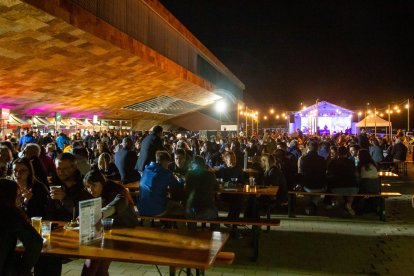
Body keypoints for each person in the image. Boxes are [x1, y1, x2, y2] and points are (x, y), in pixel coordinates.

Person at [81, 169, 139, 276]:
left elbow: (119, 203)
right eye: (88, 187)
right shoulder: (95, 193)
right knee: (98, 263)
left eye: (93, 185)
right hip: (107, 232)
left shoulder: (116, 190)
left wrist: (99, 213)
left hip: (126, 229)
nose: (90, 189)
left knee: (95, 261)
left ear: (102, 183)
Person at [0, 178, 43, 276]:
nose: (20, 199)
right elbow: (35, 243)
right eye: (18, 195)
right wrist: (23, 269)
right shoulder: (11, 214)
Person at [138, 151, 184, 216]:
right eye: (167, 163)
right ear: (164, 161)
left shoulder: (146, 169)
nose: (168, 166)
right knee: (179, 206)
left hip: (141, 209)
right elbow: (177, 187)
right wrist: (180, 179)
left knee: (163, 199)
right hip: (156, 211)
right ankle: (169, 224)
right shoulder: (166, 173)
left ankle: (164, 223)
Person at [185, 156, 219, 230]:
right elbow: (217, 187)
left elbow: (186, 189)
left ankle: (191, 233)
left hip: (191, 210)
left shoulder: (189, 175)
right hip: (208, 209)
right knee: (215, 213)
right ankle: (216, 236)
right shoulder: (210, 175)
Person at [326, 146, 358, 215]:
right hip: (352, 188)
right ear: (346, 153)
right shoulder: (351, 162)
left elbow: (329, 175)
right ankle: (348, 205)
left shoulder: (333, 162)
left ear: (338, 153)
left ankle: (341, 205)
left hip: (337, 188)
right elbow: (355, 174)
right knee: (350, 193)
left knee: (332, 187)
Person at [299, 140, 327, 215]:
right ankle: (312, 205)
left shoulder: (303, 159)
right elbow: (324, 172)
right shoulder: (322, 159)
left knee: (309, 193)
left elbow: (301, 172)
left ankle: (310, 205)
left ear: (308, 147)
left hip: (306, 185)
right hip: (319, 185)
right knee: (317, 193)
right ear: (318, 148)